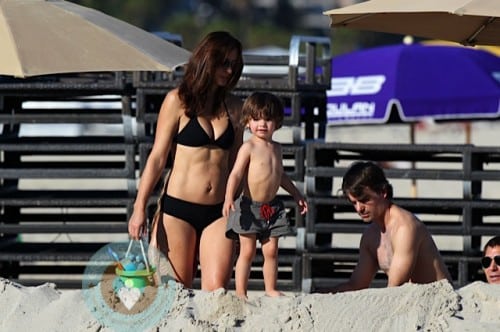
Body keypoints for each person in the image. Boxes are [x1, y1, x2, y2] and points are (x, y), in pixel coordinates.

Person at [128, 31, 244, 290]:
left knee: (218, 292)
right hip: (178, 210)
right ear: (207, 60)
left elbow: (237, 162)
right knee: (176, 293)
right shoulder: (177, 101)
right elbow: (157, 158)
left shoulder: (235, 107)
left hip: (219, 211)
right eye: (224, 63)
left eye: (233, 65)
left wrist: (245, 206)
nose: (228, 70)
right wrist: (139, 208)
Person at [222, 92, 308, 299]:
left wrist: (296, 194)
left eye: (268, 119)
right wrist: (228, 197)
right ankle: (241, 292)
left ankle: (270, 289)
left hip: (272, 208)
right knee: (247, 252)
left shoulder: (277, 148)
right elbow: (235, 174)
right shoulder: (248, 147)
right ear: (247, 121)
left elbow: (281, 176)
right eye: (256, 119)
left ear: (277, 123)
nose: (262, 124)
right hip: (248, 207)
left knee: (271, 252)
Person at [327, 161, 452, 293]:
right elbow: (356, 285)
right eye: (354, 202)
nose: (359, 209)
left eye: (364, 200)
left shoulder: (405, 228)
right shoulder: (370, 237)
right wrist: (321, 294)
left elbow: (394, 290)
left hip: (441, 305)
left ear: (383, 192)